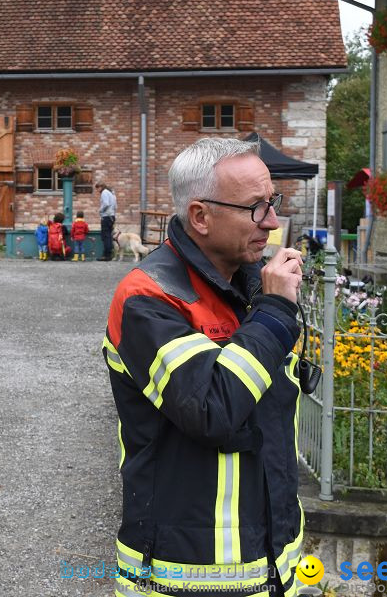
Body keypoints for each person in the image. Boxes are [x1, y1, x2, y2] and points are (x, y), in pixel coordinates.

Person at [102, 137, 305, 597]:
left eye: (272, 202)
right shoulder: (148, 298)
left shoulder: (249, 284)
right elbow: (212, 409)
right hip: (186, 575)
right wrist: (273, 312)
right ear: (200, 216)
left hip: (274, 565)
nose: (272, 222)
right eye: (256, 208)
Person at [95, 181, 116, 261]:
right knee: (109, 236)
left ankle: (106, 255)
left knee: (105, 236)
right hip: (112, 216)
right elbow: (115, 205)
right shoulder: (111, 193)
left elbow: (106, 204)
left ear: (100, 187)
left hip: (106, 217)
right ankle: (110, 254)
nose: (97, 191)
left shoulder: (104, 192)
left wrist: (100, 210)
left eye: (97, 188)